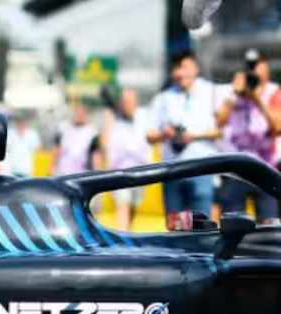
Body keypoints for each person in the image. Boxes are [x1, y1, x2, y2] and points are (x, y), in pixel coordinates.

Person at [147, 53, 223, 227]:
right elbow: (149, 136)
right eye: (177, 68)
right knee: (175, 227)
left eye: (185, 68)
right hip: (172, 170)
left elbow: (221, 131)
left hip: (202, 169)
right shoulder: (163, 98)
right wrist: (165, 134)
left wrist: (194, 136)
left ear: (196, 69)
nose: (181, 73)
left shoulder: (211, 92)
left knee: (202, 226)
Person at [216, 50, 281, 224]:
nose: (254, 70)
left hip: (265, 168)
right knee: (233, 226)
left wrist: (257, 98)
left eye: (258, 65)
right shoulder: (233, 92)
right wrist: (234, 93)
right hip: (236, 169)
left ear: (267, 68)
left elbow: (277, 127)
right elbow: (220, 121)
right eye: (250, 66)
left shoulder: (275, 92)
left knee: (270, 225)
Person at [99, 88, 152, 230]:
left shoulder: (145, 116)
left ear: (136, 102)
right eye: (124, 101)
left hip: (141, 169)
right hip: (119, 170)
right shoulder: (112, 118)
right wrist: (107, 119)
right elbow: (104, 143)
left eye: (129, 101)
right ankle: (123, 237)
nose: (126, 104)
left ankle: (128, 231)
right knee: (123, 204)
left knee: (133, 205)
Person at [53, 102, 98, 177]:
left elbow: (95, 155)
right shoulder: (63, 128)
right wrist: (51, 169)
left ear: (86, 115)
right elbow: (56, 149)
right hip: (62, 174)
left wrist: (96, 173)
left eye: (81, 113)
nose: (79, 116)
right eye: (77, 113)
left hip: (81, 175)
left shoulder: (92, 132)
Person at [2, 111, 42, 177]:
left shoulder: (32, 134)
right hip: (12, 170)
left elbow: (38, 148)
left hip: (27, 169)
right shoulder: (10, 133)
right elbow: (5, 148)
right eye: (19, 121)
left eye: (23, 121)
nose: (21, 123)